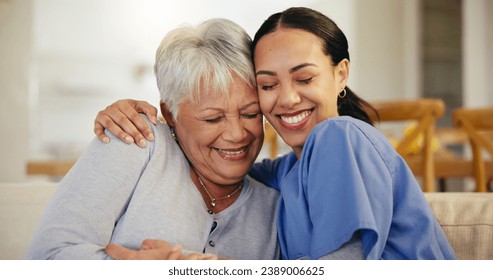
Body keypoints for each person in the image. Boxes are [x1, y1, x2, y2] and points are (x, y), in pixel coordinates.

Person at [93, 7, 455, 260]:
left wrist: (206, 269)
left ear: (341, 75)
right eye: (267, 85)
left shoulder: (341, 137)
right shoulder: (283, 174)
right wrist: (152, 119)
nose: (288, 99)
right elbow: (213, 158)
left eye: (305, 78)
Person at [25, 18, 280, 260]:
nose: (237, 134)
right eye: (213, 119)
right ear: (170, 113)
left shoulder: (277, 204)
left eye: (251, 113)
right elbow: (47, 256)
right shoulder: (136, 139)